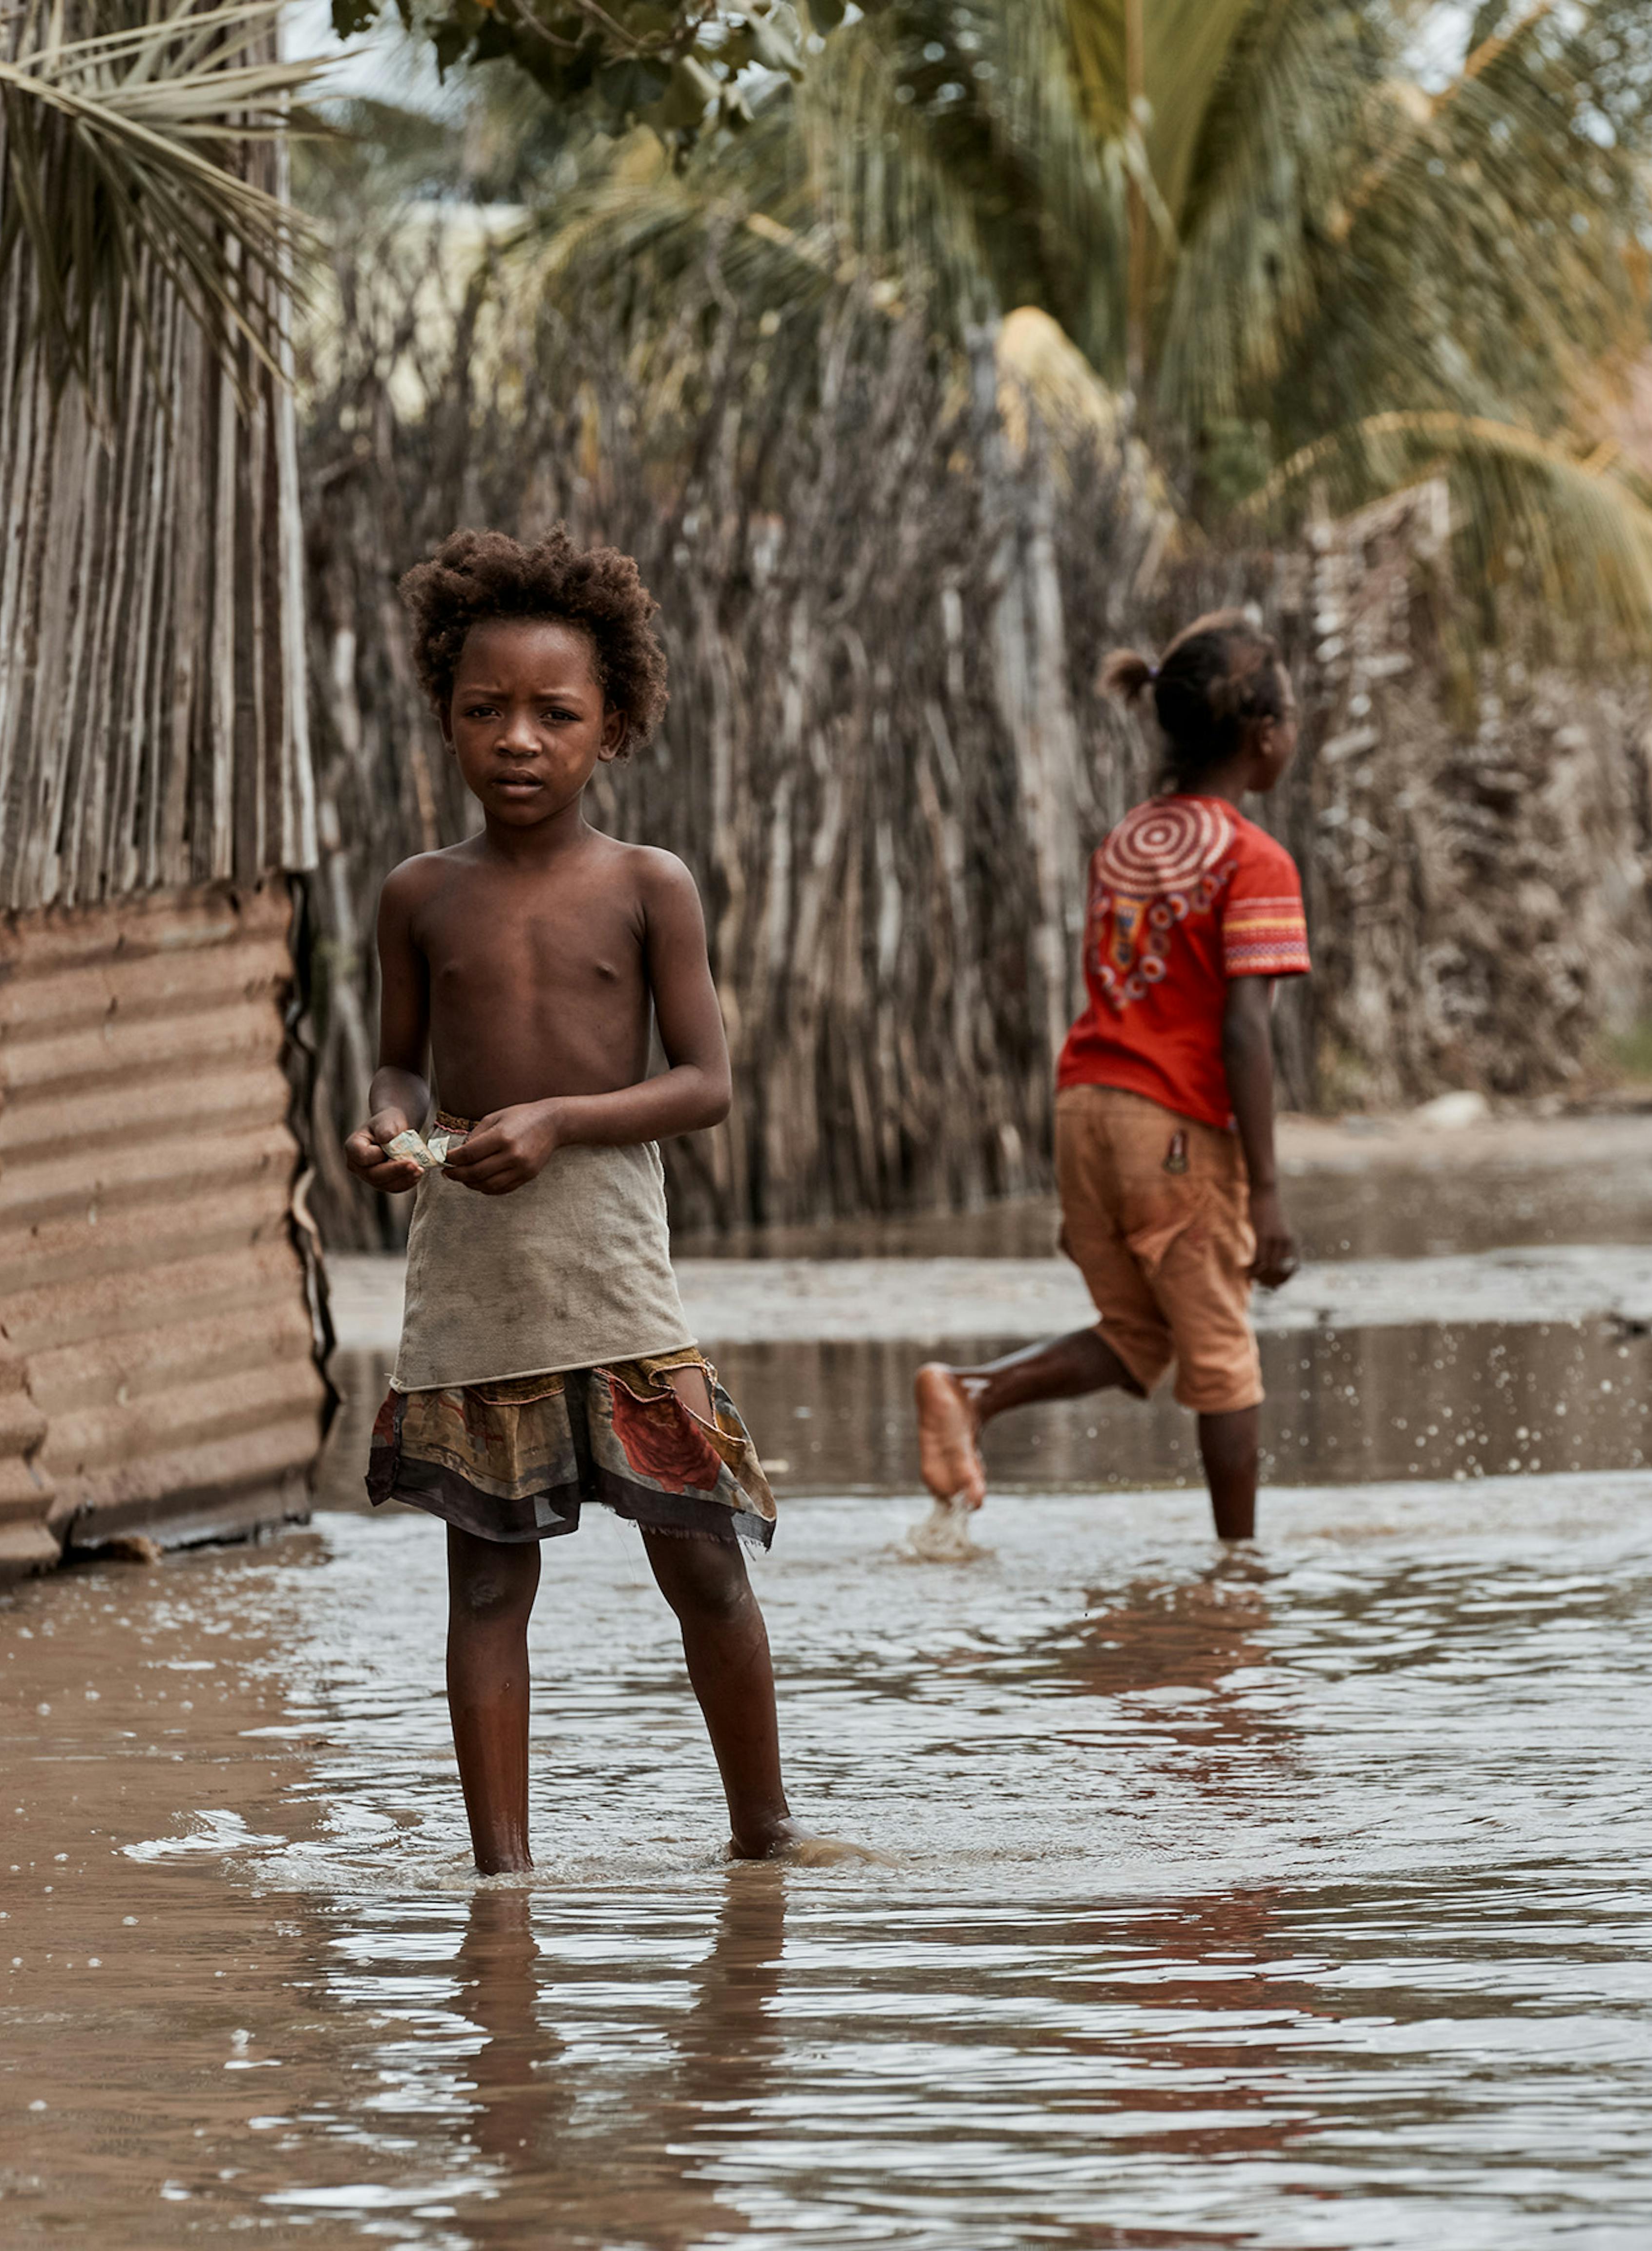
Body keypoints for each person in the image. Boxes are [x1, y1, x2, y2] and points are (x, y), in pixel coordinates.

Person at [344, 527, 845, 1874]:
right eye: (484, 710)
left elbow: (705, 1084)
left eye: (554, 714)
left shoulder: (647, 887)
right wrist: (389, 1126)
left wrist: (564, 1118)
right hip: (476, 1266)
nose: (518, 739)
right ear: (444, 714)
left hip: (612, 1264)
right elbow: (399, 1057)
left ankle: (767, 1836)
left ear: (611, 726)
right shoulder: (417, 897)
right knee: (490, 1579)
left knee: (700, 1560)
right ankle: (500, 1881)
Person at [912, 611, 1312, 1545]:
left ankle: (974, 1392)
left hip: (1086, 1109)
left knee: (1140, 1335)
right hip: (1171, 1127)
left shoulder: (1128, 840)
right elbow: (1245, 1034)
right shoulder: (1255, 861)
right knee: (1223, 1355)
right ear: (1263, 737)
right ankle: (1236, 1577)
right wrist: (1269, 1195)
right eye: (1290, 716)